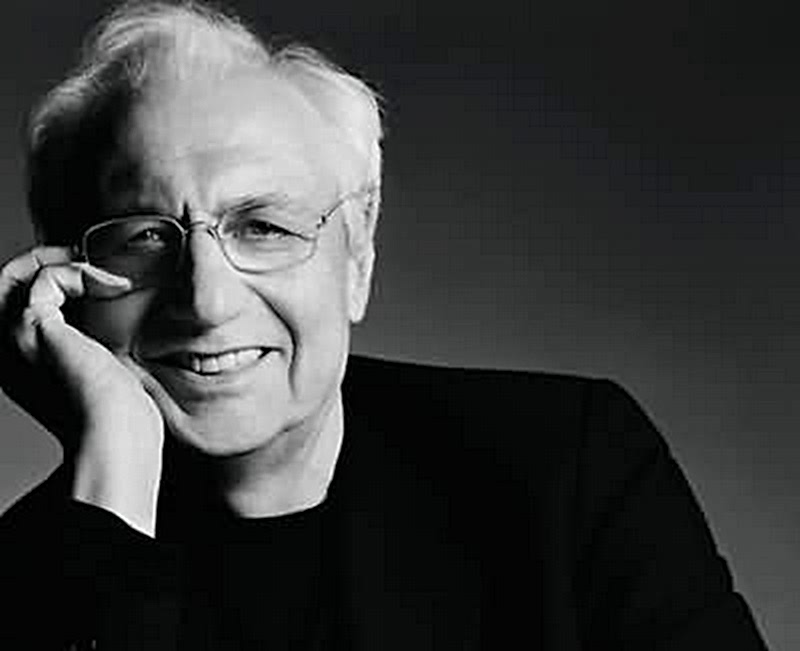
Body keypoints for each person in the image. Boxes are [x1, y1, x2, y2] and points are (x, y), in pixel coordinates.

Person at [0, 1, 769, 649]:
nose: (205, 299)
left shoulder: (569, 471)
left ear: (358, 258)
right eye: (145, 235)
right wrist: (114, 469)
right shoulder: (27, 574)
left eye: (263, 227)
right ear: (70, 281)